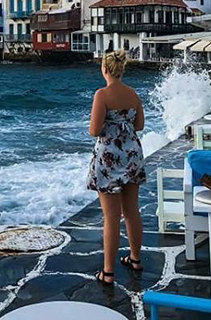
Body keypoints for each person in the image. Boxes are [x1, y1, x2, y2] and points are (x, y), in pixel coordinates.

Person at [87, 50, 146, 285]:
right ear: (122, 70)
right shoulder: (133, 94)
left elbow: (93, 130)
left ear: (104, 69)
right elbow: (139, 125)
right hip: (132, 155)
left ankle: (108, 273)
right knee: (132, 211)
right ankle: (135, 259)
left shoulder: (102, 94)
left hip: (109, 157)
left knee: (111, 217)